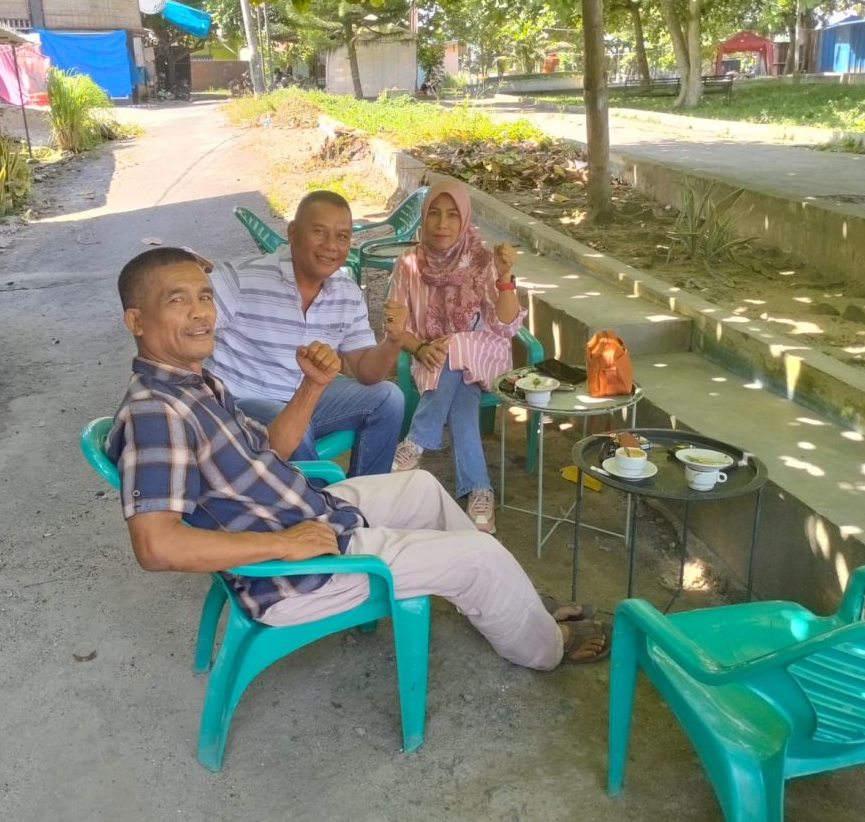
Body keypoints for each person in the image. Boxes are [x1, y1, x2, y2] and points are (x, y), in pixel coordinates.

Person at [105, 247, 609, 668]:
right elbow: (157, 546)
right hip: (301, 573)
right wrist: (282, 544)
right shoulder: (156, 414)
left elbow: (270, 449)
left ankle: (516, 606)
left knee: (422, 487)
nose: (201, 312)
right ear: (136, 321)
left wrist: (313, 385)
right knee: (481, 556)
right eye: (178, 301)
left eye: (205, 296)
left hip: (306, 512)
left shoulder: (196, 381)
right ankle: (548, 648)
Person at [206, 190, 405, 477]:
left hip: (309, 393)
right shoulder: (242, 279)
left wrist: (393, 340)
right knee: (292, 425)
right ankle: (317, 512)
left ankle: (365, 499)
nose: (331, 246)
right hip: (243, 400)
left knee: (389, 399)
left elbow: (367, 371)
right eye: (319, 232)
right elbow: (182, 323)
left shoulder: (346, 293)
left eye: (342, 236)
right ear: (293, 233)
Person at [385, 179, 522, 534]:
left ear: (464, 220)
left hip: (485, 353)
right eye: (434, 213)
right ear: (423, 217)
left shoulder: (482, 261)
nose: (442, 224)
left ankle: (416, 441)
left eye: (451, 215)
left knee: (453, 346)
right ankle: (479, 491)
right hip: (431, 359)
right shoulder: (408, 264)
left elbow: (505, 326)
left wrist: (504, 276)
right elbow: (396, 326)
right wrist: (419, 348)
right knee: (462, 403)